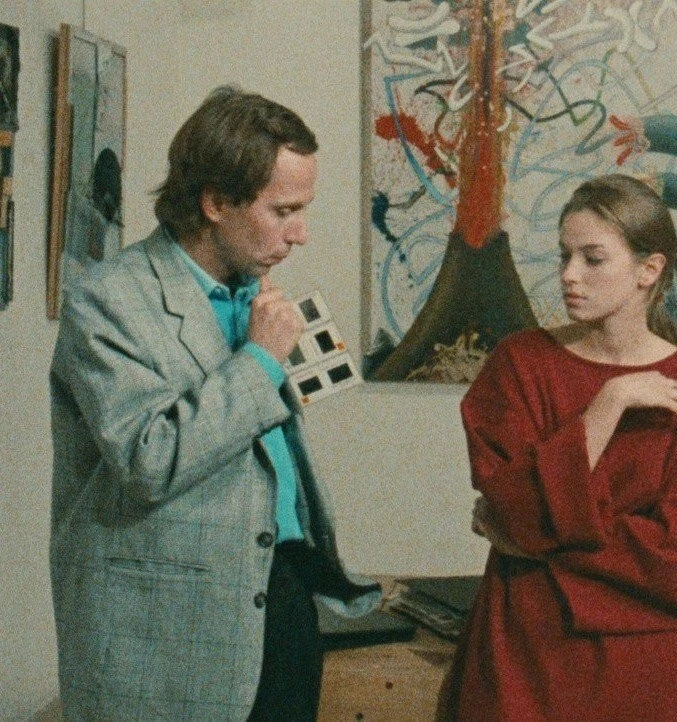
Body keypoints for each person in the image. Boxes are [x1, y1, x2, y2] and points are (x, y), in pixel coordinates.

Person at [49, 85, 381, 722]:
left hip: (281, 599)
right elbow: (149, 460)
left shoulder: (254, 293)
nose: (301, 234)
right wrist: (260, 360)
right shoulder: (107, 301)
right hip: (162, 632)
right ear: (216, 202)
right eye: (284, 211)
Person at [437, 173, 677, 721]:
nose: (569, 275)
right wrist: (608, 405)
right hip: (521, 656)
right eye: (564, 256)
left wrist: (539, 538)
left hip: (647, 676)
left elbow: (671, 562)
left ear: (649, 270)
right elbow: (518, 515)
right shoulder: (519, 365)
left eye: (593, 259)